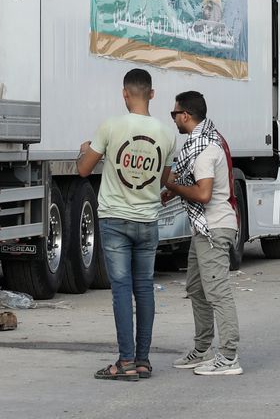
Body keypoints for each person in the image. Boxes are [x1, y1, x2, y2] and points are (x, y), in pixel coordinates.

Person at [76, 68, 176, 380]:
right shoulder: (167, 133)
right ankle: (143, 360)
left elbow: (82, 170)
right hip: (147, 221)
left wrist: (85, 150)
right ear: (152, 94)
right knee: (144, 287)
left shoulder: (110, 127)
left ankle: (125, 361)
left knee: (121, 288)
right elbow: (165, 179)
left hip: (115, 219)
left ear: (124, 93)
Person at [164, 91, 242, 377]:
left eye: (174, 113)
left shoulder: (204, 148)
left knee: (217, 292)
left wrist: (172, 187)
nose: (173, 118)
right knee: (196, 288)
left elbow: (203, 193)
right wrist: (170, 191)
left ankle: (229, 356)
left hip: (215, 227)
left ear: (185, 115)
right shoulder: (203, 142)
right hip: (203, 228)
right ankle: (203, 348)